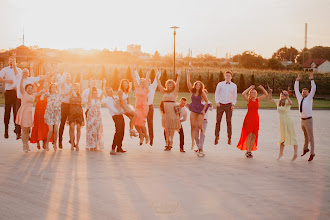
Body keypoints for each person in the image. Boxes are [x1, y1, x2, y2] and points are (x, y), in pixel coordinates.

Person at [236, 85, 268, 158]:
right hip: (249, 118)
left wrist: (262, 88)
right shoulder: (248, 100)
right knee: (249, 135)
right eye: (252, 92)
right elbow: (243, 94)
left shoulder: (257, 99)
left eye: (254, 92)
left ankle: (249, 150)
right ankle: (248, 151)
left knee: (254, 135)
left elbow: (265, 94)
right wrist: (250, 88)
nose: (253, 93)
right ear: (250, 94)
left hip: (256, 119)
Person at [15, 68, 47, 140]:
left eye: (26, 73)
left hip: (29, 104)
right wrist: (22, 78)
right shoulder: (19, 78)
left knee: (28, 121)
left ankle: (27, 134)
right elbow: (21, 88)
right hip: (21, 100)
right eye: (24, 73)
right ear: (22, 73)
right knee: (20, 119)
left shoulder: (31, 79)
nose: (25, 74)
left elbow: (40, 79)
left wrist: (48, 77)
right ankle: (19, 133)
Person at [268, 89, 298, 162]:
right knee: (283, 137)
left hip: (288, 121)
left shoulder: (287, 101)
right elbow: (270, 99)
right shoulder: (278, 101)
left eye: (284, 94)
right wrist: (270, 92)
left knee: (292, 136)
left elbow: (291, 103)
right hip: (281, 122)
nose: (282, 95)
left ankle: (295, 154)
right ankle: (281, 153)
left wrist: (287, 97)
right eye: (282, 94)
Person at [135, 68, 161, 146]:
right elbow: (137, 79)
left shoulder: (152, 87)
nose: (147, 82)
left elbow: (156, 81)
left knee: (150, 122)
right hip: (141, 107)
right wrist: (135, 70)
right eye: (146, 81)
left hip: (149, 106)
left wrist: (159, 72)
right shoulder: (141, 88)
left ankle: (151, 138)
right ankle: (142, 136)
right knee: (140, 123)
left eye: (148, 81)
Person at [156, 70, 181, 151]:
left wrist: (178, 76)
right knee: (166, 127)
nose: (169, 86)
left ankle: (171, 142)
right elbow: (159, 86)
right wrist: (157, 77)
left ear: (172, 86)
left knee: (172, 127)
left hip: (173, 110)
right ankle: (166, 143)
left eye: (171, 85)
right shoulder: (164, 91)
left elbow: (177, 84)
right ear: (166, 85)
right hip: (165, 110)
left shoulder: (175, 92)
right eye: (168, 85)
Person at [295, 73, 316, 161]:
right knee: (305, 135)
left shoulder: (309, 98)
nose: (304, 93)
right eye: (303, 92)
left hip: (308, 120)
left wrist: (312, 80)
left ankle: (312, 153)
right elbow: (296, 89)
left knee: (310, 137)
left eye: (305, 92)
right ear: (301, 93)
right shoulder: (299, 98)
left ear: (308, 93)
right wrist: (297, 80)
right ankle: (305, 149)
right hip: (302, 120)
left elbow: (314, 89)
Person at [0, 53, 21, 139]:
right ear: (8, 61)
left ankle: (17, 131)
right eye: (10, 60)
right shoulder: (5, 70)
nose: (11, 61)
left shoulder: (19, 70)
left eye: (13, 60)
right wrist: (7, 81)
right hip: (8, 92)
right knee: (7, 112)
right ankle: (6, 131)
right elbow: (0, 79)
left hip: (16, 93)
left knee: (16, 113)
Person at [187, 68, 209, 150]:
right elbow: (188, 82)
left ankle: (202, 135)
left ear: (201, 86)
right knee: (192, 126)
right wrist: (188, 73)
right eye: (197, 84)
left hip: (199, 110)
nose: (198, 86)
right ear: (195, 85)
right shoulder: (192, 91)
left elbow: (206, 102)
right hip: (193, 109)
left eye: (199, 85)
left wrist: (203, 110)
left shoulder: (202, 92)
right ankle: (193, 143)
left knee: (199, 126)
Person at [214, 71, 237, 145]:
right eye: (226, 75)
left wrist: (233, 105)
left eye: (229, 76)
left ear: (231, 77)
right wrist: (217, 102)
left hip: (229, 105)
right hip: (220, 105)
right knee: (218, 121)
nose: (227, 77)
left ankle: (229, 137)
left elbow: (235, 96)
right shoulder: (220, 84)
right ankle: (216, 137)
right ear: (225, 76)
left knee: (229, 121)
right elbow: (217, 93)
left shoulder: (234, 86)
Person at [30, 79, 53, 149]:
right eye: (41, 81)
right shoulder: (36, 88)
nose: (42, 83)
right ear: (39, 82)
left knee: (45, 124)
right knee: (38, 123)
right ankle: (37, 142)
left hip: (45, 107)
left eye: (43, 81)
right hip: (39, 107)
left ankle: (45, 142)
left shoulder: (46, 88)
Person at [43, 82, 66, 151]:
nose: (54, 88)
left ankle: (55, 143)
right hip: (50, 113)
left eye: (55, 87)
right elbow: (44, 90)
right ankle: (47, 143)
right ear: (50, 88)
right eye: (52, 87)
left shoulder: (59, 95)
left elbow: (67, 93)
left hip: (56, 114)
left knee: (56, 130)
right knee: (50, 130)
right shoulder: (48, 94)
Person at [104, 86, 126, 155]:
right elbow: (114, 110)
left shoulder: (115, 97)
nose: (110, 92)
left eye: (111, 91)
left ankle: (119, 147)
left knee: (122, 131)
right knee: (118, 132)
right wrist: (122, 111)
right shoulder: (108, 100)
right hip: (116, 116)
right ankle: (112, 149)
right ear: (106, 92)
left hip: (120, 115)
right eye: (108, 91)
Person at [132, 68, 150, 145]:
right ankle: (141, 136)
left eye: (143, 82)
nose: (142, 83)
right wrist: (133, 70)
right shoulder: (137, 87)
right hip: (137, 106)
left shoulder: (146, 89)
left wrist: (148, 71)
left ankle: (146, 135)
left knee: (142, 123)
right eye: (140, 81)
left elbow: (146, 80)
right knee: (136, 124)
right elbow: (134, 79)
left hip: (143, 107)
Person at [86, 82, 104, 151]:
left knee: (97, 130)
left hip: (98, 116)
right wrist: (91, 86)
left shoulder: (99, 99)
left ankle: (96, 145)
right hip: (91, 116)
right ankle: (91, 145)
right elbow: (90, 94)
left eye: (96, 93)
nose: (95, 94)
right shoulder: (90, 99)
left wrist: (104, 83)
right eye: (93, 93)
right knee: (91, 130)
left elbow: (103, 92)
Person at [194, 89, 213, 157]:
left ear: (206, 95)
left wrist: (210, 105)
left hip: (204, 120)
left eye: (204, 94)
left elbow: (211, 109)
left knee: (202, 134)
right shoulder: (197, 102)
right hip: (197, 120)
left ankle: (200, 148)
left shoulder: (208, 102)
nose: (203, 96)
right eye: (202, 94)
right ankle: (199, 146)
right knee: (195, 136)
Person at [67, 78, 84, 151]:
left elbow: (81, 105)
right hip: (71, 113)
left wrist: (81, 76)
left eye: (78, 87)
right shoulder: (71, 94)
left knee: (78, 128)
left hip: (79, 112)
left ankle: (77, 144)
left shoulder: (80, 94)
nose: (77, 88)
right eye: (75, 87)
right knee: (72, 127)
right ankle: (72, 143)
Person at [58, 73, 73, 149]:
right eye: (66, 77)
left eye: (69, 77)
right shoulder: (63, 85)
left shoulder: (72, 85)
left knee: (71, 123)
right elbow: (62, 82)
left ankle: (71, 139)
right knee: (62, 122)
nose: (68, 78)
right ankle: (60, 141)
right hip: (64, 105)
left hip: (71, 105)